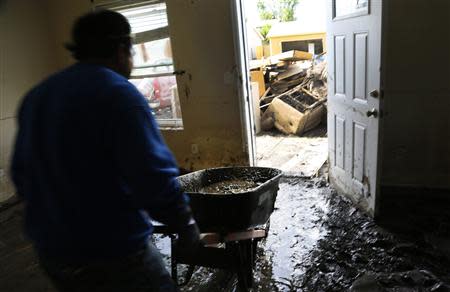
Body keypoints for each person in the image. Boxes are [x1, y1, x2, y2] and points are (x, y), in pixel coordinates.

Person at [10, 10, 200, 292]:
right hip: (113, 255)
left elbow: (21, 175)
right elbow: (152, 178)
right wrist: (185, 224)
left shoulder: (38, 96)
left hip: (53, 253)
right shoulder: (119, 94)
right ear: (123, 49)